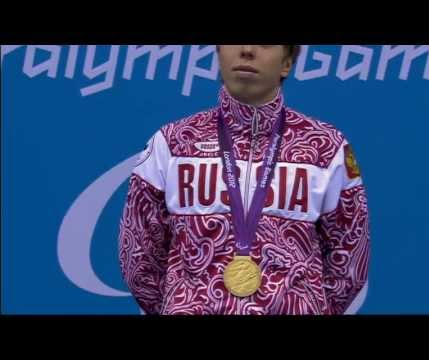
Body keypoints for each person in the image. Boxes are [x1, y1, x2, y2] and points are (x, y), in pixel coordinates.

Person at [119, 45, 370, 315]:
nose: (247, 50)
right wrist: (181, 306)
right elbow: (138, 254)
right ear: (218, 54)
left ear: (286, 63)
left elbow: (351, 254)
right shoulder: (172, 143)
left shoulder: (326, 147)